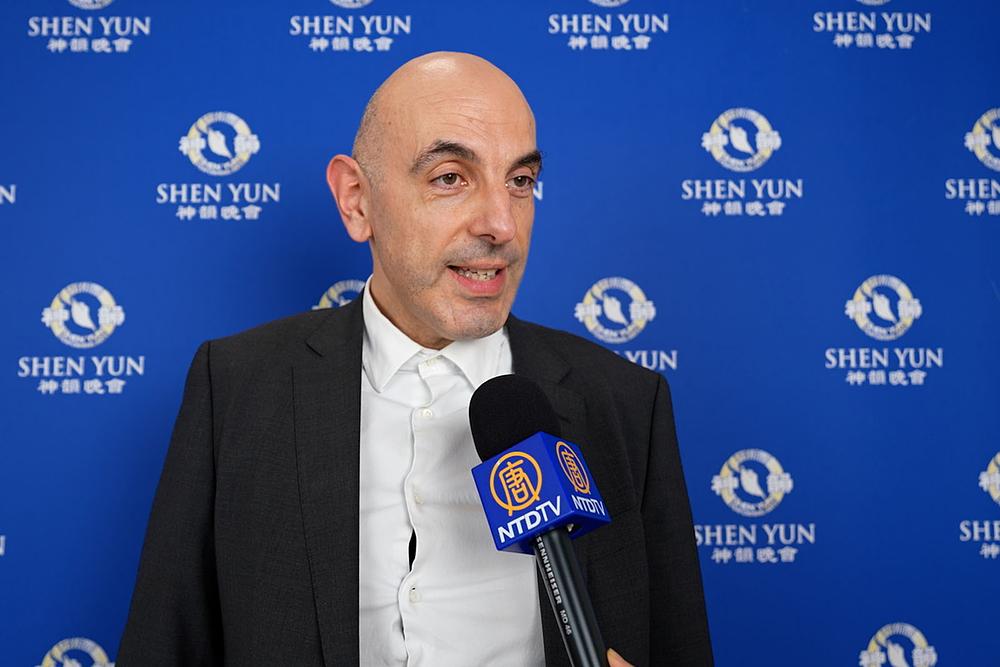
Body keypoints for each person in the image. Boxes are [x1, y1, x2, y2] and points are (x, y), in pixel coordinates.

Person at [118, 52, 712, 667]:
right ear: (357, 201)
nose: (502, 224)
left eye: (520, 181)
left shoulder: (625, 404)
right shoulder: (235, 386)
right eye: (451, 177)